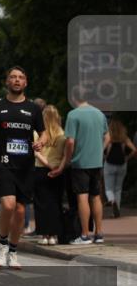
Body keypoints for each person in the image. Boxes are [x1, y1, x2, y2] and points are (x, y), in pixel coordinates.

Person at [0, 66, 47, 269]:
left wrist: (41, 142)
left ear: (25, 82)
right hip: (4, 162)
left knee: (20, 211)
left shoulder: (33, 108)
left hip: (26, 166)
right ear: (7, 82)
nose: (17, 80)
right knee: (8, 205)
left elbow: (43, 133)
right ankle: (2, 244)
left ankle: (13, 250)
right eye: (13, 77)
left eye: (21, 77)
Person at [54, 90, 110, 244]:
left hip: (80, 163)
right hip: (97, 162)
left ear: (73, 98)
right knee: (96, 196)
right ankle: (99, 234)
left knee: (82, 197)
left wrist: (69, 158)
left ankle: (84, 235)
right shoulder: (100, 114)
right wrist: (100, 150)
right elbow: (108, 137)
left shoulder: (73, 115)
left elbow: (70, 141)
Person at [34, 105, 67, 245]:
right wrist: (57, 167)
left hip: (41, 169)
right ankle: (54, 235)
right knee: (55, 202)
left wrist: (48, 165)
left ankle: (44, 235)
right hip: (58, 170)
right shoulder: (62, 133)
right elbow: (65, 153)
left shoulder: (38, 133)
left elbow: (36, 152)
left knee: (41, 203)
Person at [104, 119, 136, 218]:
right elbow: (134, 150)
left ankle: (112, 201)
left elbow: (102, 149)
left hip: (109, 164)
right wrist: (127, 158)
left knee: (109, 188)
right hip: (122, 165)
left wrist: (104, 157)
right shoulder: (125, 138)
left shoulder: (108, 137)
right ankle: (116, 211)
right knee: (118, 189)